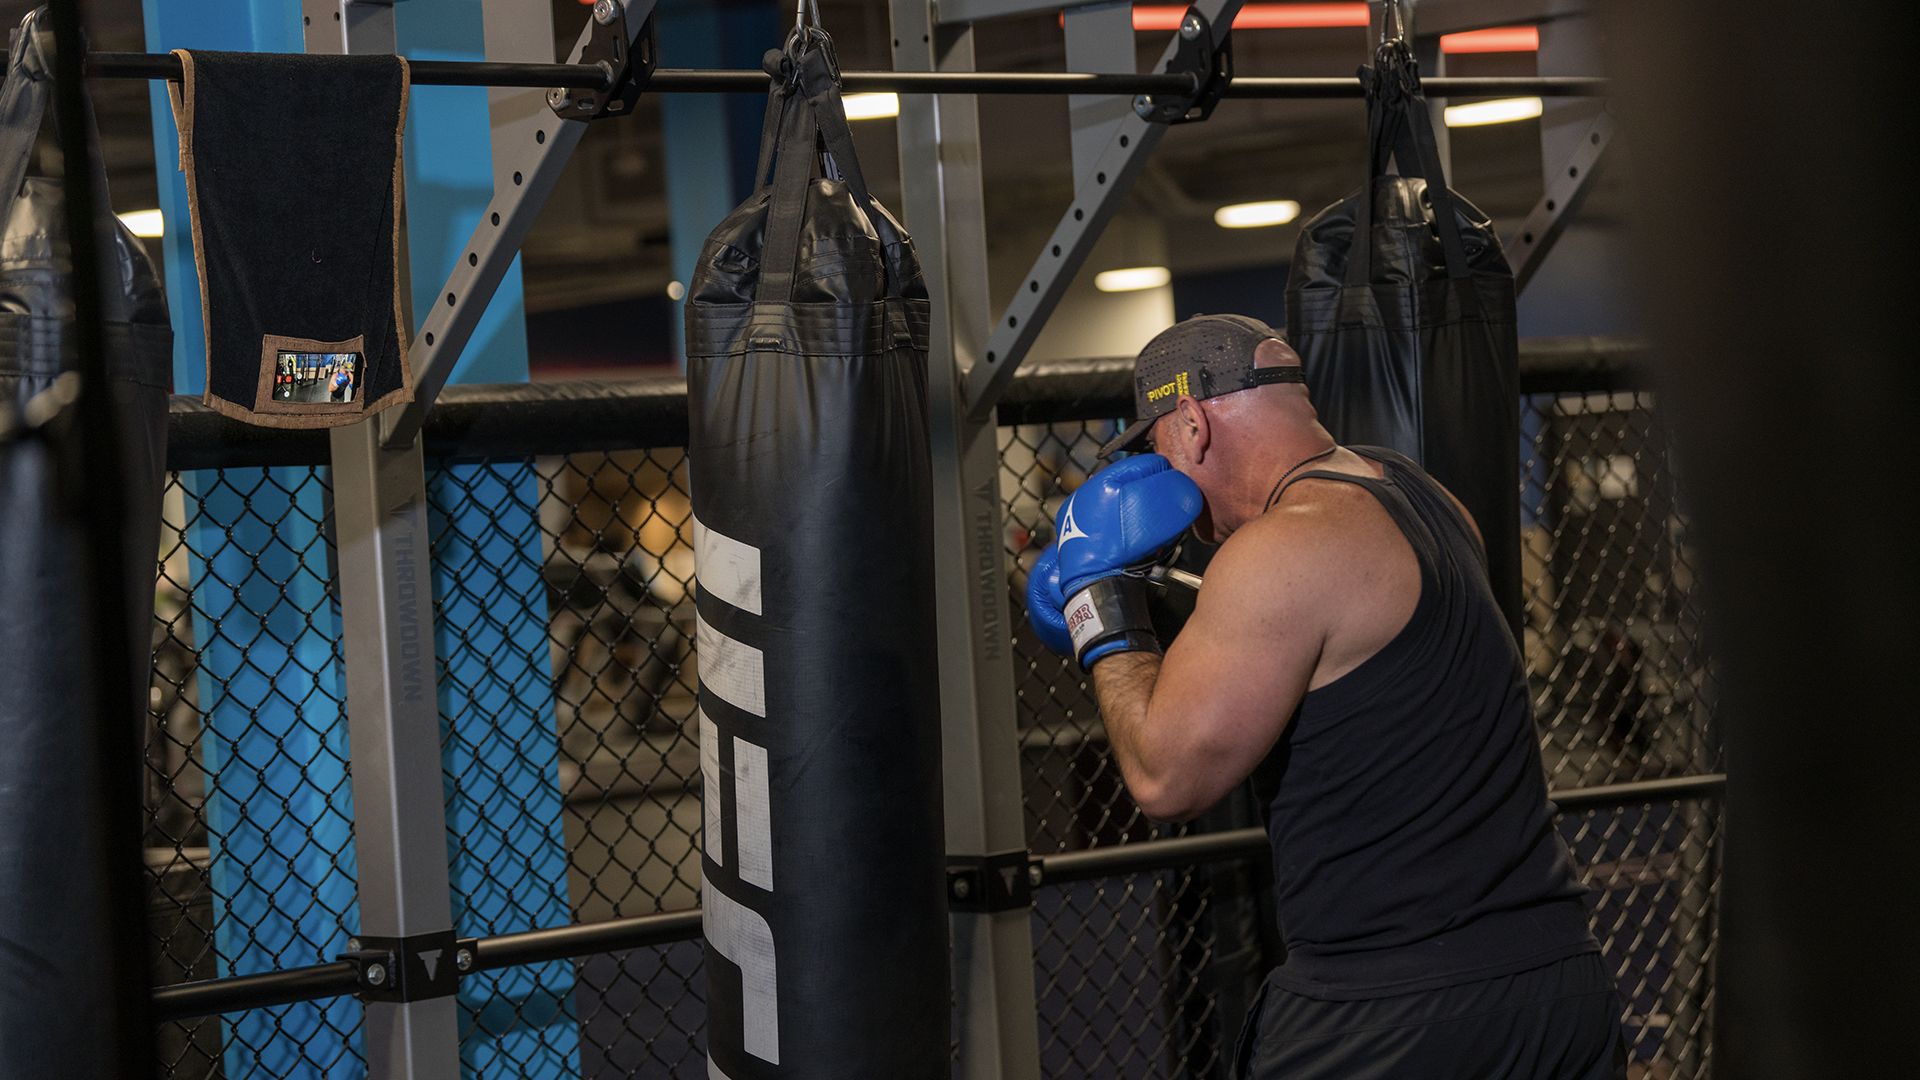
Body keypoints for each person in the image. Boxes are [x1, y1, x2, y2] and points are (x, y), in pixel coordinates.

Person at [1026, 314, 1624, 1080]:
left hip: (1391, 1011)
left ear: (1191, 422)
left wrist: (1100, 608)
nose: (1155, 471)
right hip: (1558, 986)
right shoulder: (1421, 495)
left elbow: (1165, 778)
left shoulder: (1280, 549)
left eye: (1154, 446)